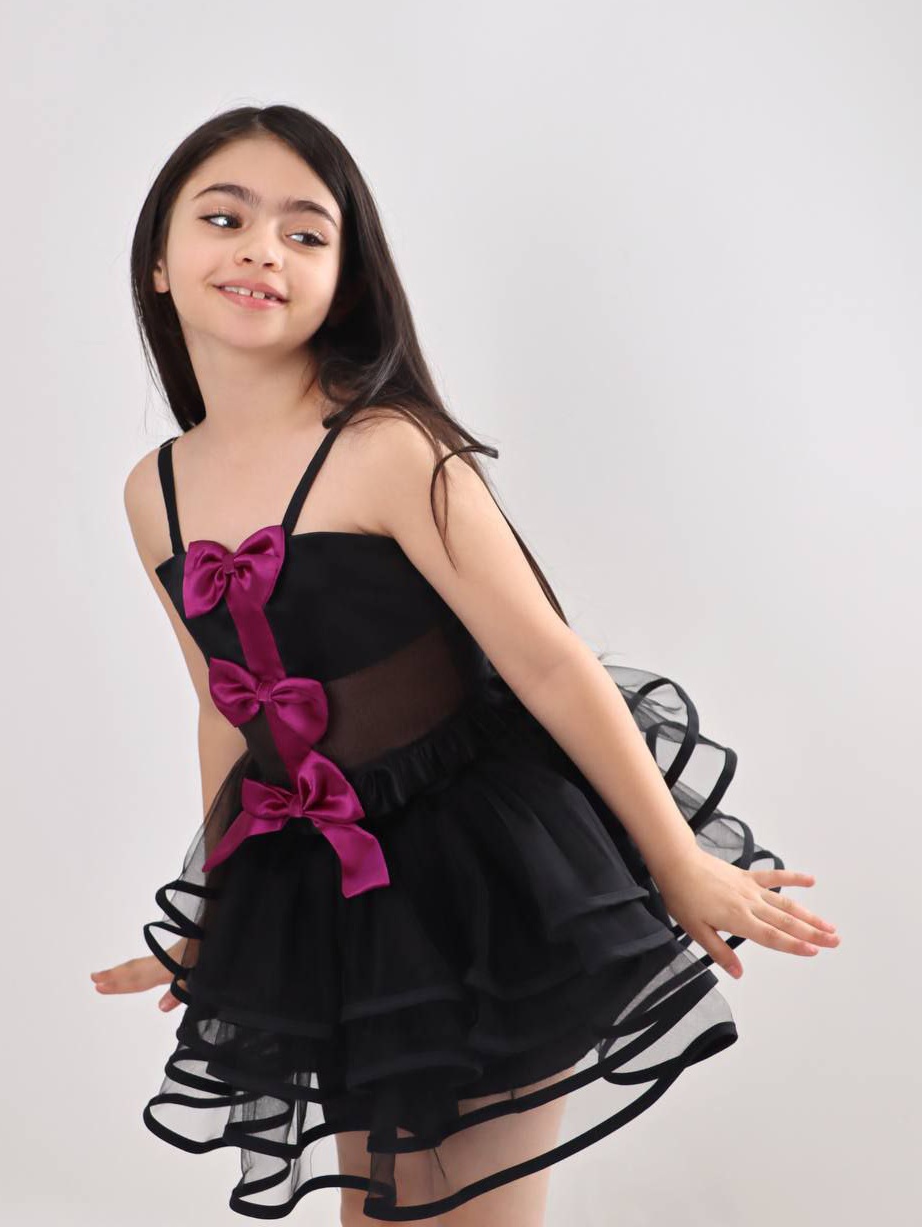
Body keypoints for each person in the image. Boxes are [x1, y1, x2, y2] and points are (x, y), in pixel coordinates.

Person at [89, 104, 839, 1225]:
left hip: (480, 874)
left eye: (305, 232)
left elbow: (549, 662)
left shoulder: (388, 447)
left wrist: (676, 858)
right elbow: (224, 706)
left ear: (346, 280)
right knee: (375, 1214)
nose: (262, 250)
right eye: (225, 218)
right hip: (331, 890)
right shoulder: (154, 490)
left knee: (475, 1212)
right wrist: (215, 901)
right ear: (159, 258)